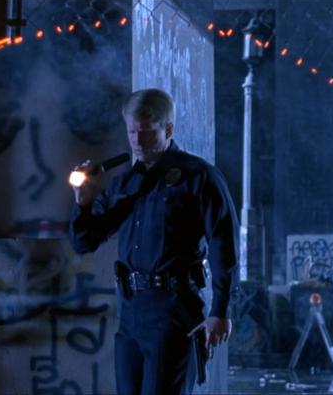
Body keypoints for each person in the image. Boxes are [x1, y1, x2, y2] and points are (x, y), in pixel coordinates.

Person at [69, 88, 238, 394]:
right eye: (132, 131)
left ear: (168, 129)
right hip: (131, 314)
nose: (136, 140)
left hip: (173, 312)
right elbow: (84, 242)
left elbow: (223, 244)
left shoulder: (199, 177)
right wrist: (82, 202)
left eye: (146, 131)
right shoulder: (126, 183)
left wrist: (220, 310)